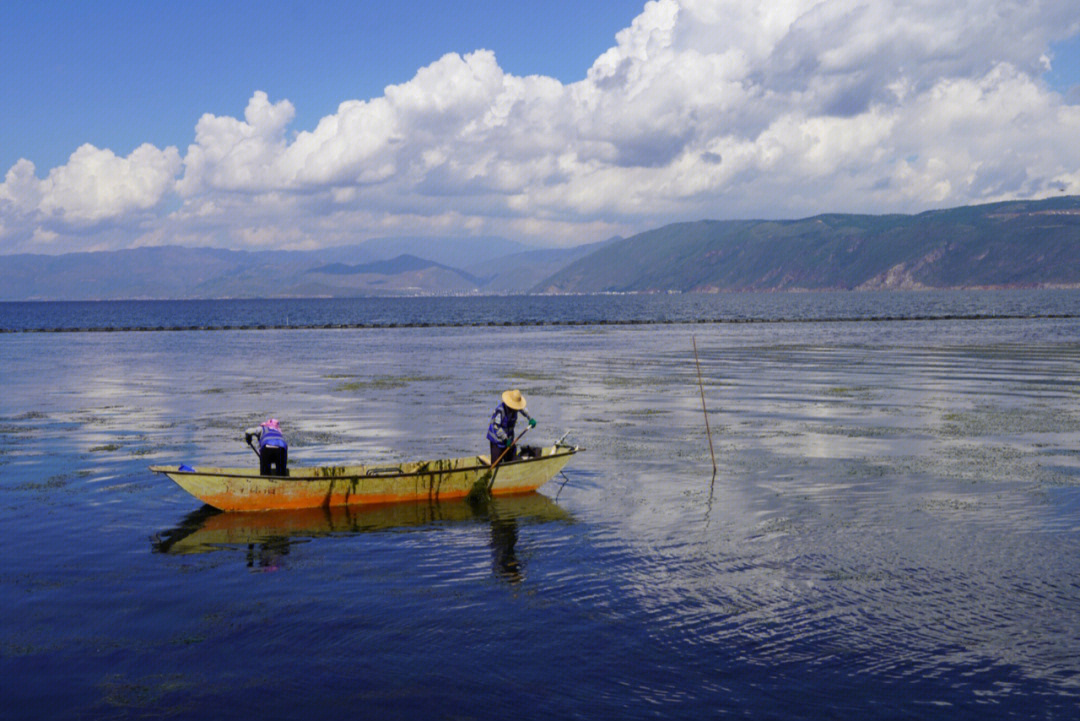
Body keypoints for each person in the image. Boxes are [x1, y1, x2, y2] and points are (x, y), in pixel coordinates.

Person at [486, 389, 536, 464]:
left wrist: (530, 418)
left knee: (512, 460)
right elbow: (496, 427)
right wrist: (505, 439)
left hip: (509, 437)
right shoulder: (500, 411)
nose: (516, 408)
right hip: (496, 439)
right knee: (496, 462)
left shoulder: (516, 408)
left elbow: (523, 410)